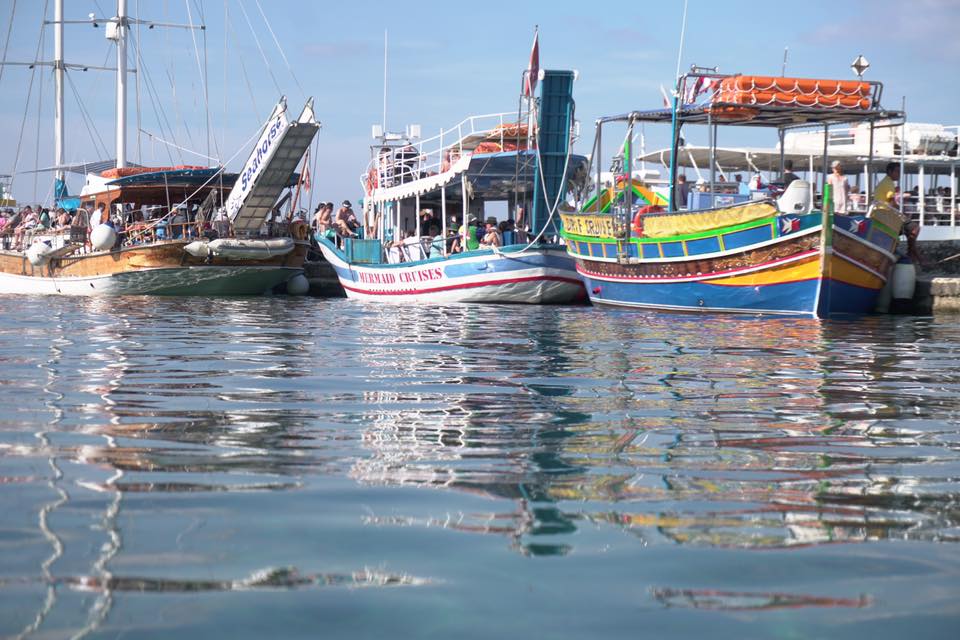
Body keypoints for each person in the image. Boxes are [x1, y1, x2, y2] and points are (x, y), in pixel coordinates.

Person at [875, 161, 922, 265]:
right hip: (885, 215)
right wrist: (901, 213)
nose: (899, 174)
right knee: (915, 228)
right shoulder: (888, 183)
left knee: (907, 230)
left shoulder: (886, 182)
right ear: (890, 172)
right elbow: (892, 200)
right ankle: (911, 253)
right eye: (897, 171)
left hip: (882, 214)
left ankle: (911, 253)